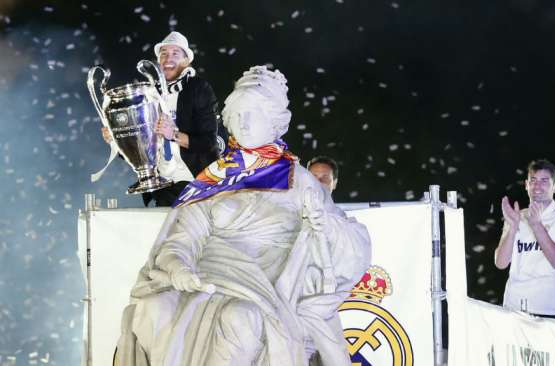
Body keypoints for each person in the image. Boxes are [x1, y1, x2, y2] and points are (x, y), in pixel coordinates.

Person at [114, 66, 371, 365]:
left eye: (254, 112)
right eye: (237, 113)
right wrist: (178, 266)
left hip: (264, 286)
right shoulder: (214, 177)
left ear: (275, 121)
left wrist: (324, 225)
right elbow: (183, 238)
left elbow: (353, 250)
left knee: (240, 317)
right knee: (155, 308)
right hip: (207, 277)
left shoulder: (299, 181)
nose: (244, 122)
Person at [101, 31, 227, 207]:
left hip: (196, 184)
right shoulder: (149, 95)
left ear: (186, 61)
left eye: (175, 53)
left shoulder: (198, 88)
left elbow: (209, 143)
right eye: (164, 54)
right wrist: (117, 140)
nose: (168, 59)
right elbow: (141, 150)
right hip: (163, 186)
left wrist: (173, 134)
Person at [494, 159, 555, 323]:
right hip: (513, 309)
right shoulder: (516, 217)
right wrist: (513, 227)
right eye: (533, 180)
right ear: (526, 185)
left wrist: (536, 225)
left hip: (551, 312)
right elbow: (500, 263)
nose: (537, 186)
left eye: (544, 181)